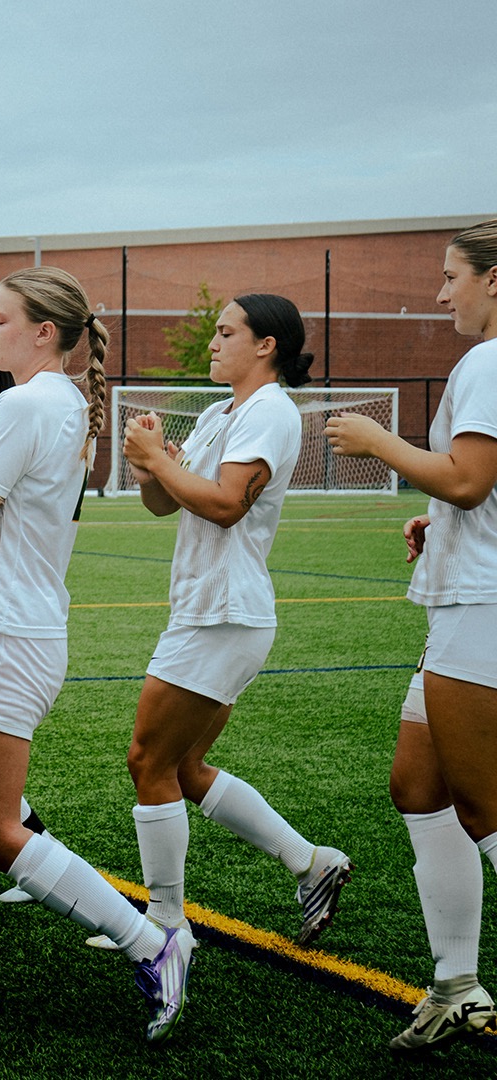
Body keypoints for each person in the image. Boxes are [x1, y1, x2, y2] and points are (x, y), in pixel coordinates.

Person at [0, 267, 191, 1040]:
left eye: (0, 320)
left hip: (6, 630)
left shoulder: (30, 403)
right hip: (14, 624)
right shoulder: (61, 401)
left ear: (45, 332)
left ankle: (152, 944)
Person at [120, 294, 352, 962]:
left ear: (266, 346)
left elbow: (224, 506)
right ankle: (310, 863)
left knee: (147, 760)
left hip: (223, 614)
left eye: (226, 333)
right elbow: (166, 502)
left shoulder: (271, 411)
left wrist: (162, 463)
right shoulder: (224, 411)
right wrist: (151, 464)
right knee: (183, 767)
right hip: (214, 610)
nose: (213, 343)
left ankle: (165, 927)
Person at [326, 217, 497, 1049]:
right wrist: (441, 525)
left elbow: (469, 479)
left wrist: (377, 442)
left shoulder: (492, 360)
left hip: (484, 611)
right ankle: (458, 984)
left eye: (452, 275)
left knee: (487, 806)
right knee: (418, 786)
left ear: (494, 280)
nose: (440, 292)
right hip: (467, 597)